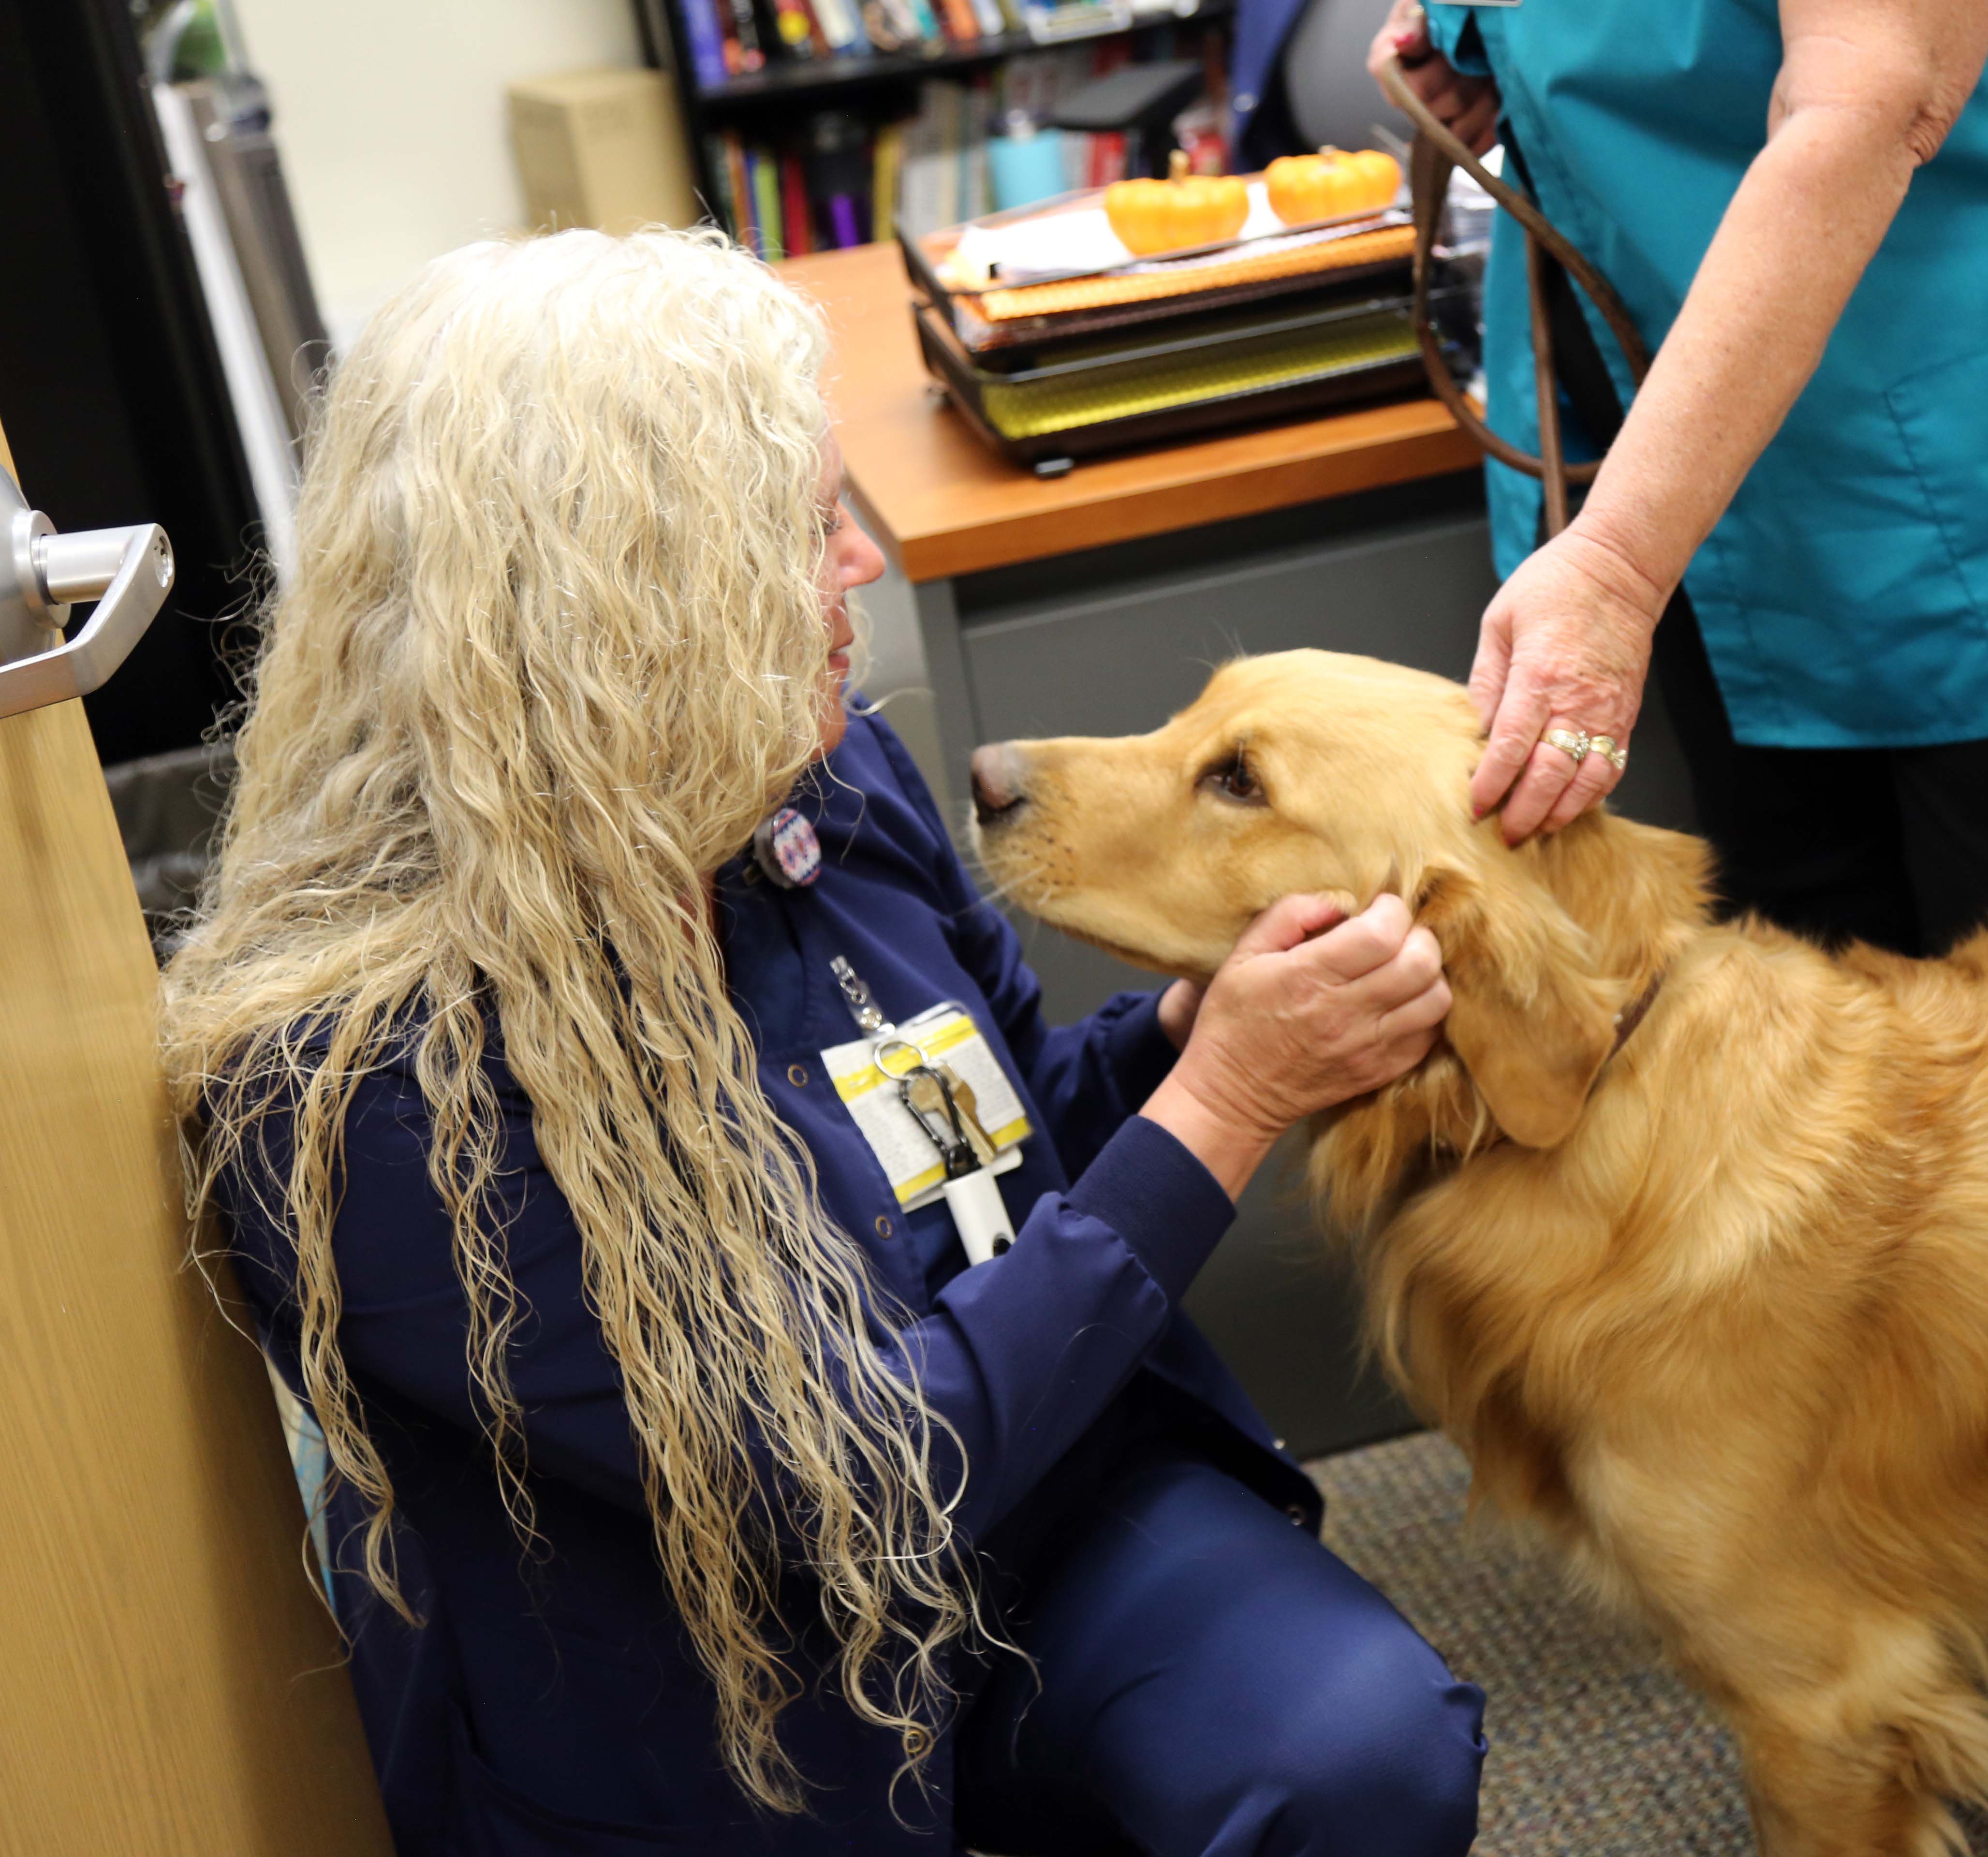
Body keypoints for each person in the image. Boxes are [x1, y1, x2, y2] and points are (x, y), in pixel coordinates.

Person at [159, 229, 1483, 1856]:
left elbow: (1010, 1158)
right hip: (724, 1714)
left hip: (1042, 1521)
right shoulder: (362, 1076)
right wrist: (1230, 1099)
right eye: (800, 531)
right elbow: (847, 1485)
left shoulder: (824, 787)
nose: (862, 564)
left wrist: (1188, 1038)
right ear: (621, 596)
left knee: (1355, 1754)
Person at [1375, 0, 1988, 1750]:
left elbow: (1871, 88)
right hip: (1703, 356)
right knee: (1819, 1000)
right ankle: (1888, 1450)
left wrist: (1616, 566)